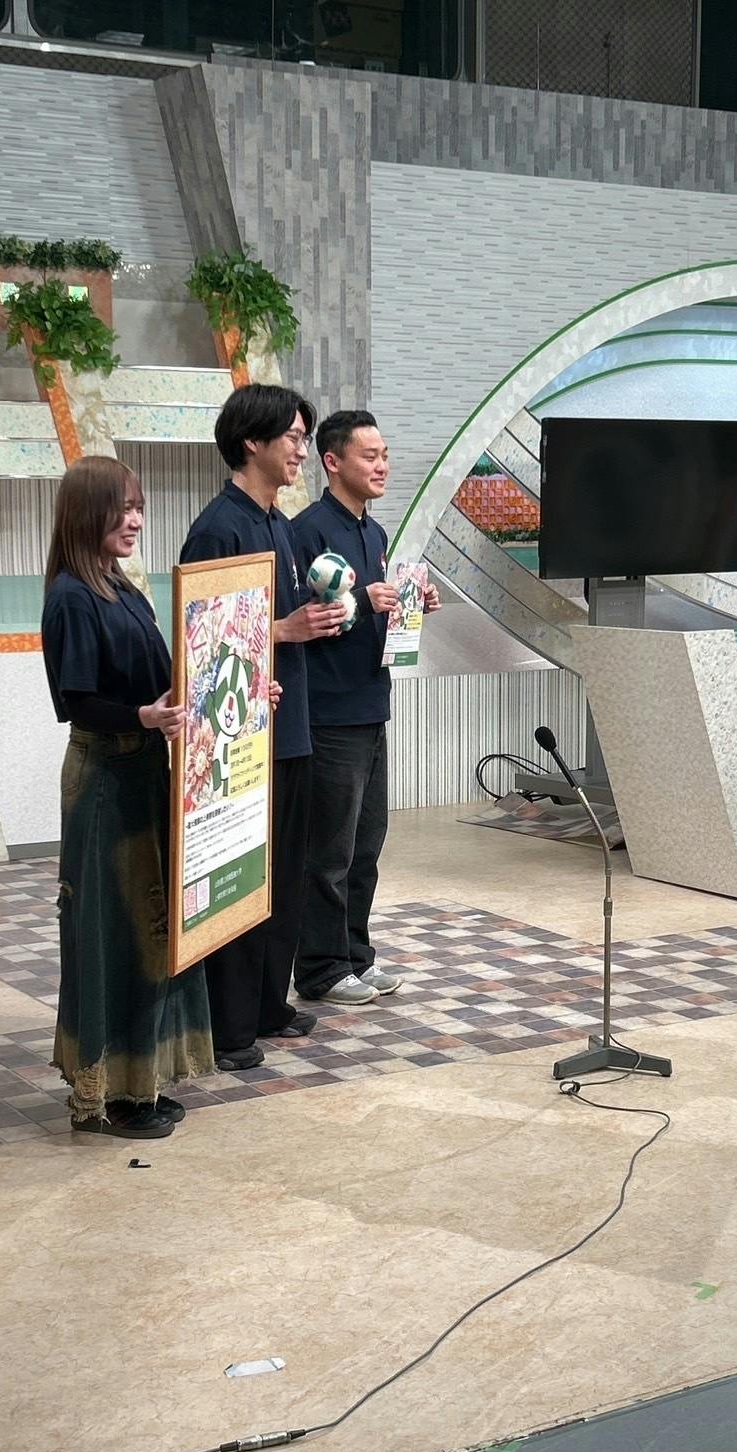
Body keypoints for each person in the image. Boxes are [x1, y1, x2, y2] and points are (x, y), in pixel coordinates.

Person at [41, 456, 214, 1139]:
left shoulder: (121, 586)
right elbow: (76, 701)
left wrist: (242, 685)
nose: (136, 519)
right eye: (123, 508)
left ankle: (141, 1082)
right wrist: (144, 717)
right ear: (89, 514)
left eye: (139, 507)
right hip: (105, 779)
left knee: (150, 926)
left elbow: (168, 678)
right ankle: (106, 1096)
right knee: (110, 933)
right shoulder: (72, 596)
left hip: (142, 772)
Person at [180, 384, 346, 1070]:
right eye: (294, 437)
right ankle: (229, 1026)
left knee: (283, 875)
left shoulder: (277, 521)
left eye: (304, 437)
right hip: (242, 740)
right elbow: (202, 642)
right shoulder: (219, 528)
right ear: (253, 442)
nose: (301, 449)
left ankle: (269, 1004)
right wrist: (282, 629)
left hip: (291, 725)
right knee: (239, 881)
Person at [291, 410, 441, 1006]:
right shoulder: (307, 532)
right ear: (332, 461)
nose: (382, 466)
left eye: (385, 456)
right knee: (328, 850)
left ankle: (356, 956)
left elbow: (371, 614)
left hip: (371, 704)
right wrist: (360, 598)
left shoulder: (373, 533)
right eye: (369, 456)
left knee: (366, 844)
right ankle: (321, 968)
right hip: (328, 712)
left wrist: (412, 603)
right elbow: (302, 619)